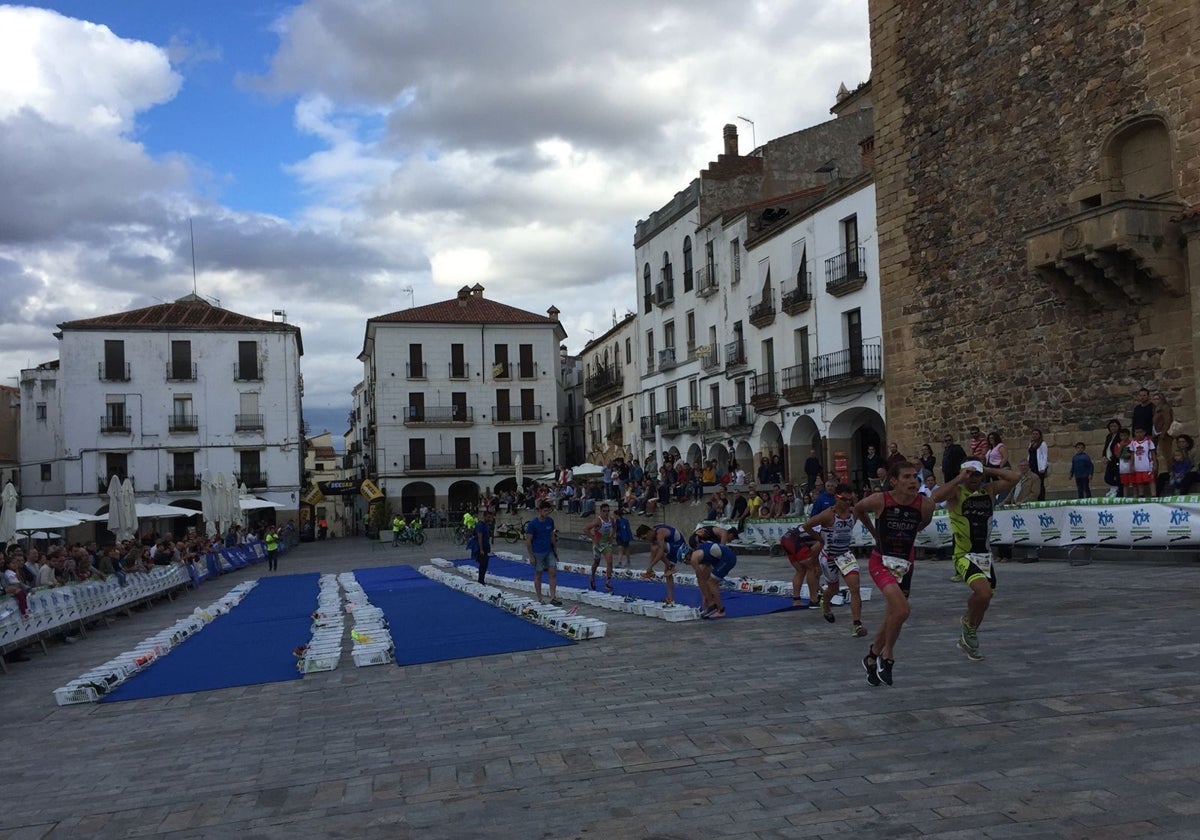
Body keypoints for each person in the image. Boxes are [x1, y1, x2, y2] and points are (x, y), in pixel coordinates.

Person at [853, 461, 934, 687]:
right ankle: (887, 658)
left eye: (915, 477)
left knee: (894, 614)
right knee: (902, 610)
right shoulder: (881, 500)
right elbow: (858, 508)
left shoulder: (925, 505)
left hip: (905, 564)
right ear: (894, 481)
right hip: (881, 562)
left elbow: (922, 522)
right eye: (907, 477)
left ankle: (871, 656)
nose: (913, 481)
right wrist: (873, 531)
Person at [931, 460, 1019, 661]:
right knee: (983, 592)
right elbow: (935, 497)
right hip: (964, 555)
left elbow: (1014, 478)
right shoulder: (956, 493)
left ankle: (968, 634)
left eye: (976, 474)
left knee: (984, 599)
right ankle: (969, 626)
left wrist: (986, 469)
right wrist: (960, 477)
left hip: (985, 556)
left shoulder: (988, 490)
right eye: (970, 474)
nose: (974, 478)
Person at [802, 483, 868, 637]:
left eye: (849, 500)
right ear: (836, 498)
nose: (846, 503)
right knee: (833, 589)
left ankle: (857, 625)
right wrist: (820, 539)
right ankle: (825, 605)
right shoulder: (828, 514)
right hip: (829, 556)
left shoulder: (854, 512)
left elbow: (866, 513)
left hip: (845, 555)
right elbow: (807, 526)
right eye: (843, 499)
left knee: (855, 587)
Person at [637, 523, 687, 606]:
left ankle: (671, 567)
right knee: (667, 574)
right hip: (672, 545)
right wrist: (649, 568)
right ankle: (670, 598)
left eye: (645, 538)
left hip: (679, 546)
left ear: (649, 532)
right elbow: (653, 554)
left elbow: (660, 552)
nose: (646, 540)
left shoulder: (660, 533)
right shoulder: (653, 534)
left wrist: (650, 566)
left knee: (656, 548)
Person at [689, 541, 738, 619]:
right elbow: (703, 577)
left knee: (711, 582)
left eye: (685, 562)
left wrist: (706, 598)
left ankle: (720, 610)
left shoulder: (694, 559)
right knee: (708, 579)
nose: (687, 564)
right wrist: (706, 597)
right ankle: (712, 605)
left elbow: (700, 579)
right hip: (725, 556)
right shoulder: (700, 554)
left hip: (728, 558)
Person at [524, 503, 560, 604]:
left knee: (553, 573)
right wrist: (531, 556)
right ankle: (539, 598)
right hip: (538, 552)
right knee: (538, 574)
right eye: (545, 511)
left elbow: (552, 535)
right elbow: (528, 541)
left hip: (549, 551)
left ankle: (553, 597)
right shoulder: (533, 524)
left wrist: (555, 550)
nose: (547, 513)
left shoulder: (550, 521)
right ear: (539, 510)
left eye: (548, 511)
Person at [780, 526, 821, 609]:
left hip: (786, 539)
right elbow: (814, 549)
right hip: (796, 542)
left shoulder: (820, 524)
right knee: (813, 568)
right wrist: (817, 566)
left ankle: (796, 600)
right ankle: (814, 600)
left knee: (801, 570)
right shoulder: (827, 533)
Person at [583, 502, 617, 592]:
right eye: (604, 511)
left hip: (605, 543)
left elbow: (615, 527)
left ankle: (608, 582)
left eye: (608, 511)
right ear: (600, 511)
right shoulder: (598, 521)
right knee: (596, 563)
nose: (606, 513)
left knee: (610, 561)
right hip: (597, 545)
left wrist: (611, 537)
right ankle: (592, 577)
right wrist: (593, 538)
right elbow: (585, 529)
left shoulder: (611, 520)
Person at [1123, 427, 1157, 499]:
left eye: (1141, 432)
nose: (1139, 434)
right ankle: (1141, 494)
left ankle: (1153, 494)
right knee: (1139, 481)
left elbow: (1153, 454)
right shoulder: (1133, 443)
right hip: (1138, 465)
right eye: (1137, 432)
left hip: (1148, 465)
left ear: (1144, 432)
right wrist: (1131, 465)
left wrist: (1155, 464)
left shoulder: (1149, 442)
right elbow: (1132, 455)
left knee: (1151, 480)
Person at [1102, 418, 1123, 498]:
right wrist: (1104, 456)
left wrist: (1112, 457)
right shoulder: (1109, 436)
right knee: (1107, 477)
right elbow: (1106, 447)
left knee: (1118, 477)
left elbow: (1118, 448)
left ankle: (1119, 493)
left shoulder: (1119, 436)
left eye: (1114, 426)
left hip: (1116, 459)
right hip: (1109, 460)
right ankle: (1114, 487)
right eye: (1111, 426)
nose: (1113, 428)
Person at [472, 509, 493, 585]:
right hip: (481, 547)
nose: (490, 519)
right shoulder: (480, 525)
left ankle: (481, 579)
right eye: (488, 517)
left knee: (484, 564)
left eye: (491, 517)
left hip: (485, 546)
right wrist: (481, 549)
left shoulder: (486, 525)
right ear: (484, 517)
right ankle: (481, 580)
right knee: (483, 564)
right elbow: (480, 537)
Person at [1028, 428, 1049, 501]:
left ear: (1040, 435)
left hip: (1039, 466)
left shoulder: (1042, 444)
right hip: (1032, 465)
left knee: (1040, 483)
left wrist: (1043, 468)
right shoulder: (1031, 443)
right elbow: (1029, 455)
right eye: (1033, 434)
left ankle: (1041, 498)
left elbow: (1045, 456)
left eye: (1036, 434)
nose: (1034, 435)